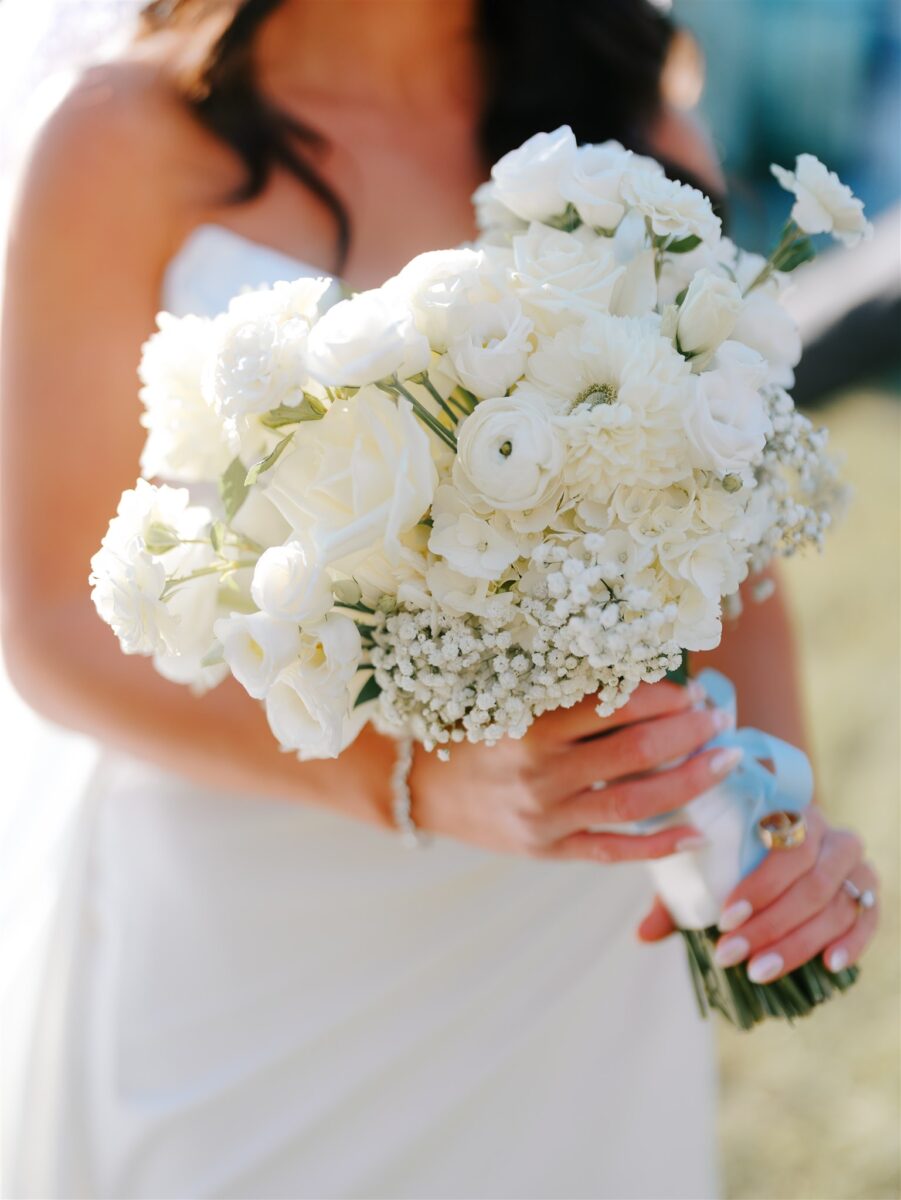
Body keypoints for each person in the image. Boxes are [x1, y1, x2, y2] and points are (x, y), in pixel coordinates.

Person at [0, 1, 880, 1196]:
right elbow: (53, 623)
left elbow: (733, 566)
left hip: (561, 953)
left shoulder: (636, 133)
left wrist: (776, 833)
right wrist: (418, 779)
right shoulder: (121, 134)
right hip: (247, 940)